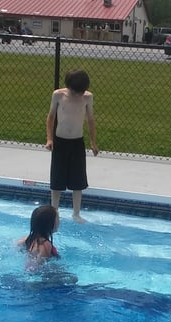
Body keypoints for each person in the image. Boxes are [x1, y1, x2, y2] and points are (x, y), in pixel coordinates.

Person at [46, 69, 99, 223]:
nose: (78, 96)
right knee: (57, 179)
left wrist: (93, 142)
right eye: (76, 92)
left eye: (80, 92)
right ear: (69, 87)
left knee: (78, 179)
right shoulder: (58, 95)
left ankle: (76, 213)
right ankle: (54, 211)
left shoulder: (87, 97)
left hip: (77, 142)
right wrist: (49, 139)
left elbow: (90, 120)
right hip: (60, 142)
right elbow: (50, 117)